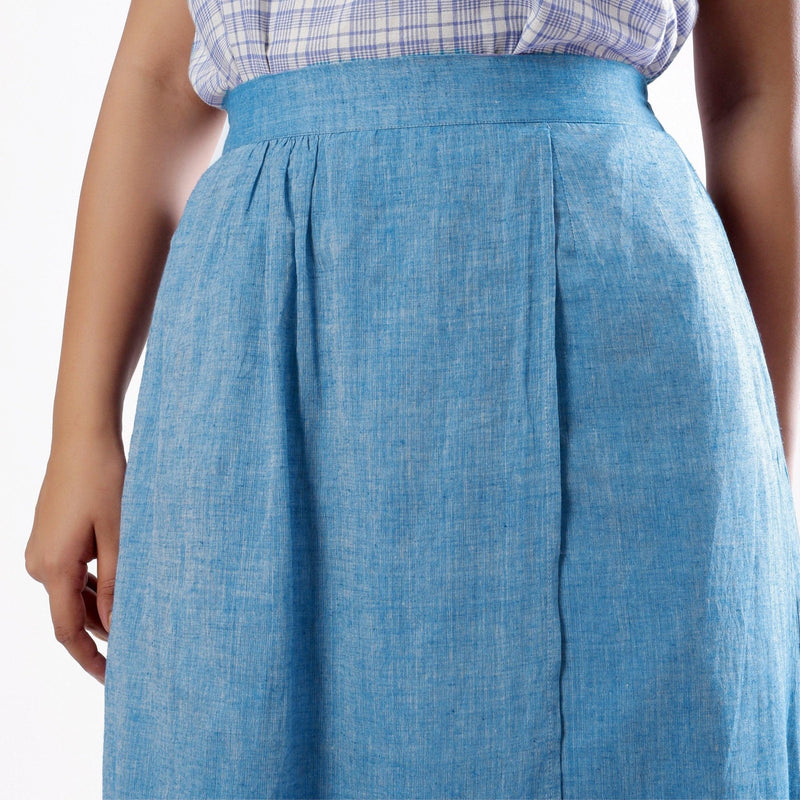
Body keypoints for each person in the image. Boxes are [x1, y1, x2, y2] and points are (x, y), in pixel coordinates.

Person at [24, 0, 800, 796]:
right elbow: (157, 78)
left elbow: (756, 97)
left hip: (622, 350)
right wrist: (79, 428)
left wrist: (762, 476)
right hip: (251, 361)